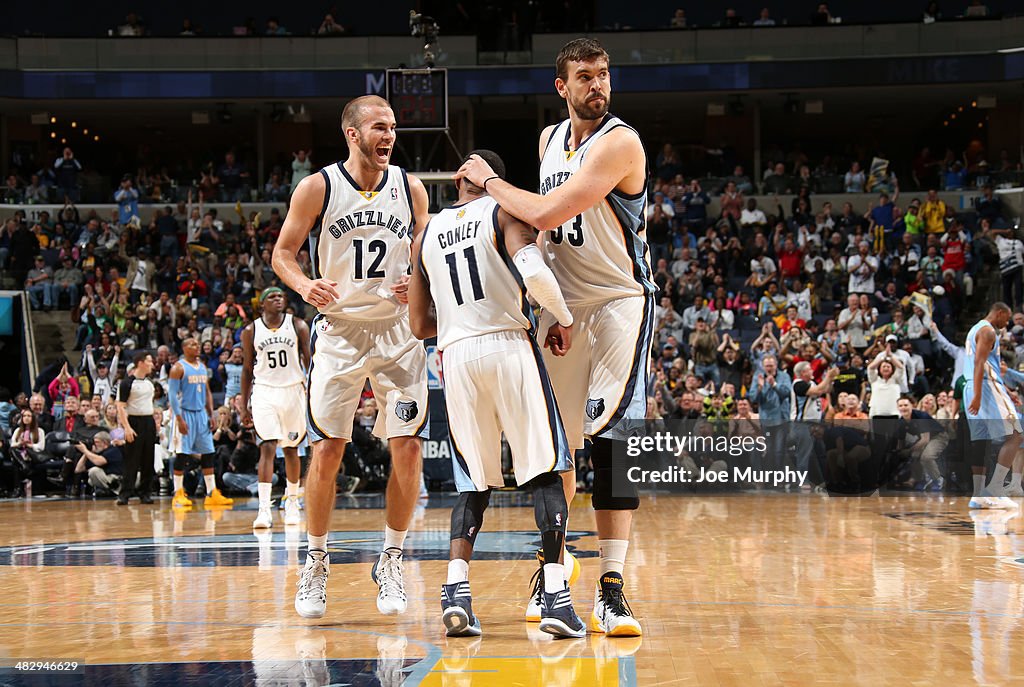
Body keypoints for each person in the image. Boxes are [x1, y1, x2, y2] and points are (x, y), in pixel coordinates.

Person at [456, 37, 651, 637]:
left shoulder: (621, 140)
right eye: (586, 77)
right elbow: (542, 241)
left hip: (619, 303)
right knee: (557, 447)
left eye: (604, 75)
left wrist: (488, 183)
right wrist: (549, 308)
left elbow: (544, 213)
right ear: (562, 87)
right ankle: (555, 573)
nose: (599, 85)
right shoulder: (546, 141)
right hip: (566, 311)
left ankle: (612, 589)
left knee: (614, 447)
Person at [408, 149, 584, 638]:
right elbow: (534, 273)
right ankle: (555, 597)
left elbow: (419, 323)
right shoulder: (503, 210)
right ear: (493, 181)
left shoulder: (426, 234)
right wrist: (564, 320)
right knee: (547, 469)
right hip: (508, 344)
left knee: (472, 482)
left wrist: (464, 321)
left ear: (459, 179)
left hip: (454, 357)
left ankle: (455, 592)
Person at [272, 95, 431, 620]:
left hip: (397, 332)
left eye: (393, 128)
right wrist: (303, 284)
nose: (389, 136)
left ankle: (391, 559)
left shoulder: (411, 187)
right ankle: (315, 561)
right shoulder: (318, 186)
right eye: (379, 128)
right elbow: (282, 253)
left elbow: (424, 249)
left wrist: (420, 280)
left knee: (407, 449)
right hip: (339, 333)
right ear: (352, 133)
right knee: (327, 452)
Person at [240, 287, 311, 529]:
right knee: (267, 447)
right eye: (272, 297)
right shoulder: (251, 331)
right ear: (262, 305)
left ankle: (292, 502)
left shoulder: (298, 325)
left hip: (293, 390)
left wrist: (312, 391)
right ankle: (263, 511)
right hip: (264, 391)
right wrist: (243, 404)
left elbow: (309, 362)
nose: (278, 299)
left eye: (280, 296)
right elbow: (247, 369)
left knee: (291, 449)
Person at [963, 303, 1021, 509]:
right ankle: (995, 489)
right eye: (1006, 319)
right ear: (1000, 313)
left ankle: (978, 495)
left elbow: (985, 366)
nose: (1007, 323)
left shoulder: (974, 330)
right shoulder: (988, 331)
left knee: (981, 440)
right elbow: (981, 364)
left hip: (974, 385)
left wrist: (1006, 392)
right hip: (985, 387)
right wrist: (979, 396)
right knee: (1016, 435)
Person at [168, 338, 234, 508]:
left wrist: (210, 414)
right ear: (184, 348)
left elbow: (207, 392)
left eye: (197, 344)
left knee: (208, 453)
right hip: (184, 414)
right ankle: (178, 493)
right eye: (192, 344)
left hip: (201, 415)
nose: (197, 346)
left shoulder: (202, 367)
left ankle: (211, 493)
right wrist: (179, 418)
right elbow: (172, 396)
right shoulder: (178, 368)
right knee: (182, 454)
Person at [115, 352, 158, 505]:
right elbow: (120, 406)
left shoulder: (149, 383)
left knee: (148, 459)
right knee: (131, 459)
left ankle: (145, 492)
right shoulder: (127, 383)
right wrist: (126, 427)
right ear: (140, 363)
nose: (152, 364)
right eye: (149, 361)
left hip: (148, 421)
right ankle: (125, 493)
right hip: (133, 421)